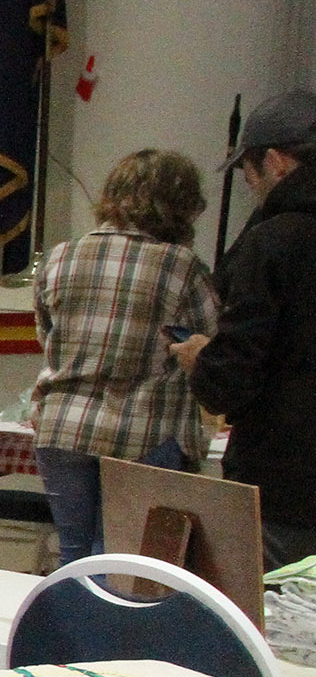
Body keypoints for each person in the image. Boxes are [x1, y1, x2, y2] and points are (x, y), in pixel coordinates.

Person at [28, 150, 216, 569]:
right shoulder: (181, 265)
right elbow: (210, 347)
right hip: (145, 430)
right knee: (121, 565)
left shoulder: (60, 256)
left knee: (74, 559)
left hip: (62, 426)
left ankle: (70, 615)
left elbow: (47, 336)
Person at [184, 91, 316, 568]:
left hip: (286, 482)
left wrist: (202, 359)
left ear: (276, 162)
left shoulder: (275, 241)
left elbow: (231, 377)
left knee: (270, 612)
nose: (251, 188)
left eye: (248, 174)